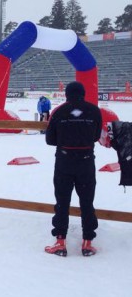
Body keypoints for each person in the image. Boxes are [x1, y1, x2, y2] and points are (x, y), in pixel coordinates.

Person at [44, 81, 102, 257]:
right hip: (85, 161)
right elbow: (96, 136)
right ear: (83, 94)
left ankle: (60, 242)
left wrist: (66, 140)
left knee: (62, 202)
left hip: (64, 161)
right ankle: (87, 242)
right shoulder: (94, 111)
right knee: (87, 202)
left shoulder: (60, 111)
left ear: (67, 94)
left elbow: (50, 139)